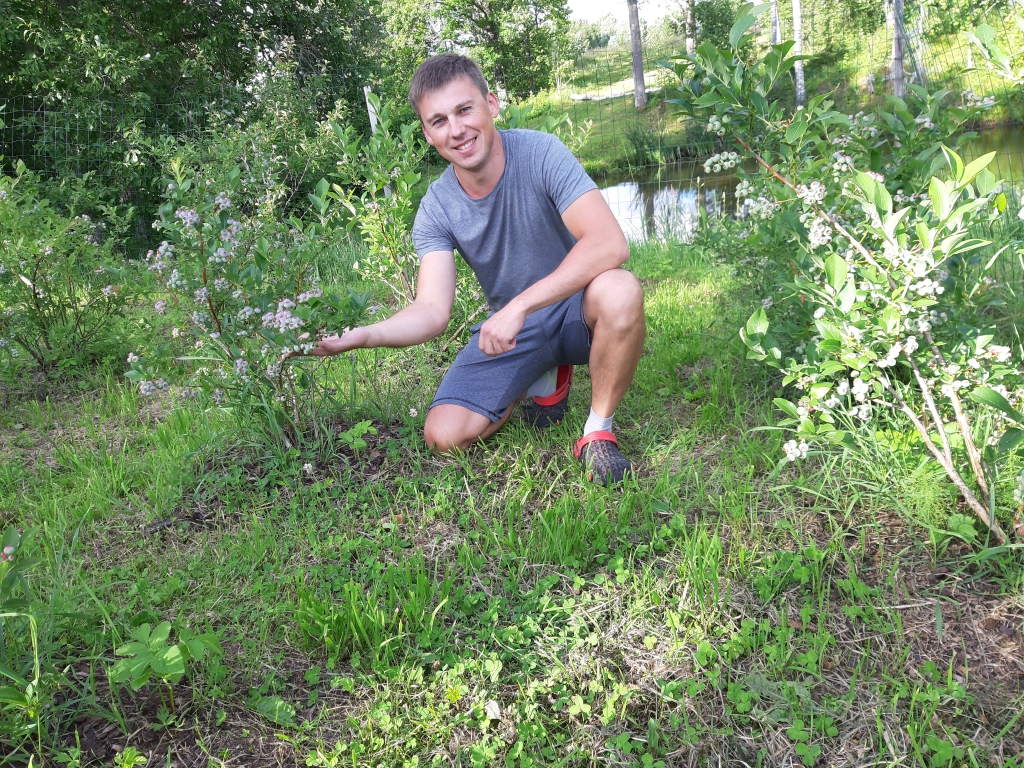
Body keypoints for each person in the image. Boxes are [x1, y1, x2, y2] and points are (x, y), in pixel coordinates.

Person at [307, 54, 645, 484]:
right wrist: (361, 335)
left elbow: (609, 243)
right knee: (442, 436)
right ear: (428, 135)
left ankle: (598, 431)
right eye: (439, 121)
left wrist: (519, 306)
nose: (457, 130)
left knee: (621, 289)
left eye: (465, 110)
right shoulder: (435, 208)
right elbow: (431, 309)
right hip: (515, 333)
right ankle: (543, 377)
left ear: (492, 103)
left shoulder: (541, 152)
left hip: (578, 308)